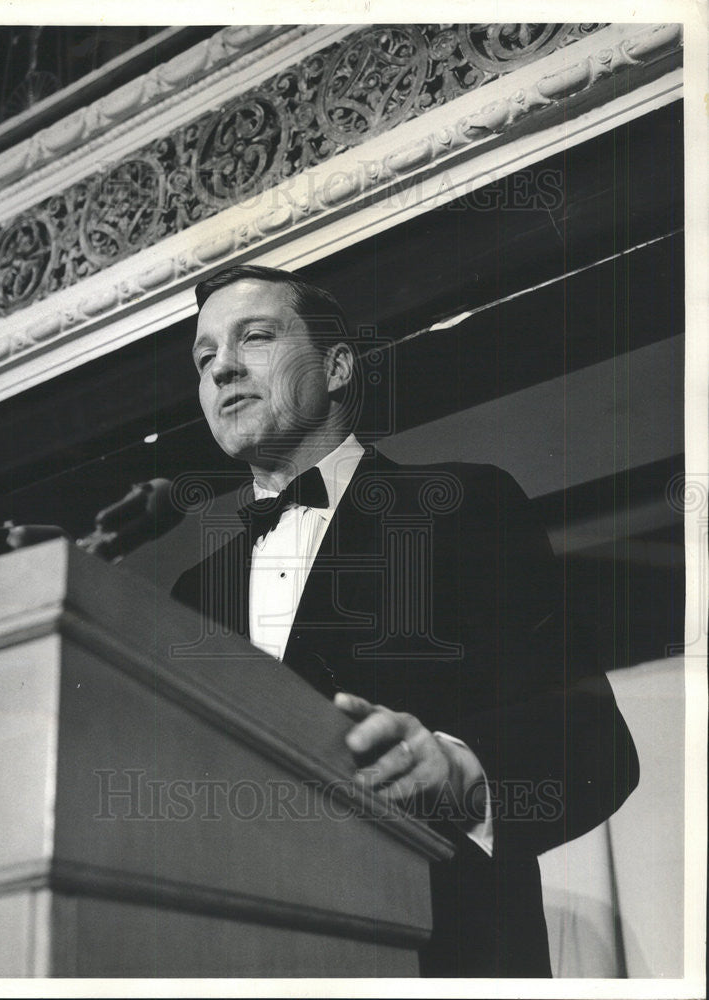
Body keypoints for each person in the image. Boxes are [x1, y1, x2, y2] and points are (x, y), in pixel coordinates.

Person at [171, 264, 639, 977]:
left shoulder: (467, 506)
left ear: (336, 367)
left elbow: (593, 748)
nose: (223, 367)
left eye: (255, 338)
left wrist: (454, 770)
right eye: (205, 360)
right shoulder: (191, 592)